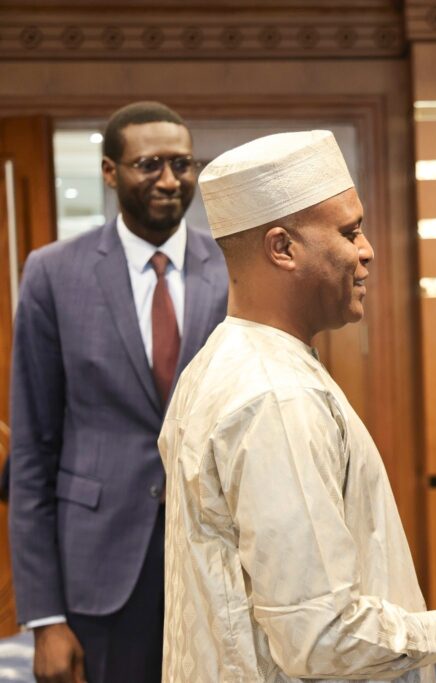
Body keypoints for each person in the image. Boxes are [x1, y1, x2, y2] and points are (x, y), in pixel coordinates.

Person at [159, 130, 436, 682]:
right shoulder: (275, 395)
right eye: (348, 231)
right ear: (282, 248)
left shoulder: (222, 362)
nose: (367, 251)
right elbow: (319, 635)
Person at [8, 101, 229, 683]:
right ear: (110, 172)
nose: (169, 180)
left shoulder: (234, 269)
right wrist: (45, 618)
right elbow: (32, 452)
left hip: (219, 566)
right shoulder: (53, 274)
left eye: (182, 164)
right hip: (99, 573)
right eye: (149, 164)